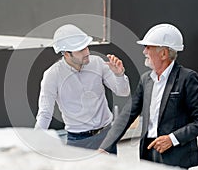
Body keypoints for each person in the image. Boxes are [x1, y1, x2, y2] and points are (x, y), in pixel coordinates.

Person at [99, 23, 198, 169]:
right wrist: (105, 146)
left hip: (175, 155)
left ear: (164, 53)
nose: (144, 51)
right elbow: (128, 114)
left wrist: (172, 139)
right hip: (148, 152)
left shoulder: (187, 78)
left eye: (148, 47)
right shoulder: (146, 79)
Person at [35, 24, 130, 154]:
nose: (87, 52)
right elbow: (45, 113)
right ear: (66, 54)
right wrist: (34, 142)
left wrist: (119, 75)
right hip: (78, 141)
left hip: (106, 135)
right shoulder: (52, 75)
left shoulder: (98, 63)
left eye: (86, 47)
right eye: (80, 50)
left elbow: (123, 92)